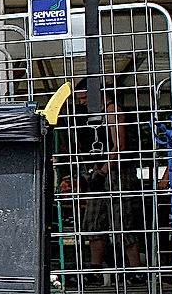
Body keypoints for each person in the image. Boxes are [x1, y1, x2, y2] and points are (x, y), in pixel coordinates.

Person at [58, 80, 144, 282]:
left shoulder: (114, 111)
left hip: (117, 173)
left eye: (86, 98)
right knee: (93, 220)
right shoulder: (91, 116)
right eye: (81, 100)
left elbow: (119, 147)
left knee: (122, 221)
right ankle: (96, 268)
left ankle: (136, 270)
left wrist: (104, 171)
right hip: (97, 172)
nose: (84, 103)